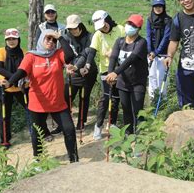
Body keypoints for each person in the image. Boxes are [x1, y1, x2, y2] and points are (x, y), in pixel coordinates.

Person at [4, 29, 78, 162]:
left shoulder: (58, 54)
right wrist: (10, 82)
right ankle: (38, 160)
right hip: (37, 104)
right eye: (48, 38)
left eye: (53, 40)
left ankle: (74, 159)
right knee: (37, 134)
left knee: (69, 130)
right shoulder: (31, 56)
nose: (51, 41)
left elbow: (70, 56)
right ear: (41, 40)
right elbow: (21, 72)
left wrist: (60, 37)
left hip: (57, 103)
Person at [83, 10, 125, 140]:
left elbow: (127, 45)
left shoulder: (120, 29)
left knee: (116, 98)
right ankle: (98, 125)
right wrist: (88, 65)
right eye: (100, 27)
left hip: (120, 69)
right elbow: (92, 52)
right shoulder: (98, 35)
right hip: (106, 70)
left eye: (104, 24)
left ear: (108, 19)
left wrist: (115, 53)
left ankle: (112, 124)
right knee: (106, 98)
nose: (103, 28)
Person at [106, 14, 148, 135]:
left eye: (133, 25)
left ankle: (140, 138)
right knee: (126, 111)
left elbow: (131, 59)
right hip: (122, 82)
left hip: (137, 83)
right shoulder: (119, 41)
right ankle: (128, 136)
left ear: (139, 28)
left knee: (138, 111)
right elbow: (113, 57)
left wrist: (115, 72)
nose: (130, 26)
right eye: (129, 23)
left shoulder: (141, 42)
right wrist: (110, 74)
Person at [0, 28, 30, 148]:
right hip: (5, 87)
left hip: (22, 87)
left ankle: (35, 132)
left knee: (31, 111)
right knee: (4, 115)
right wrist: (12, 79)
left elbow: (26, 70)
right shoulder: (1, 51)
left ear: (18, 39)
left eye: (13, 39)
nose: (11, 41)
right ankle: (5, 140)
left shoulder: (25, 53)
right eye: (8, 39)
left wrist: (13, 80)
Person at [62, 14, 98, 130]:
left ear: (80, 26)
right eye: (70, 29)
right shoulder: (66, 37)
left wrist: (80, 67)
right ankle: (65, 122)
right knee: (66, 97)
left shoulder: (90, 36)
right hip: (73, 72)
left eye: (75, 28)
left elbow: (87, 53)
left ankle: (81, 122)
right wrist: (67, 66)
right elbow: (64, 55)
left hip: (88, 71)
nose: (73, 31)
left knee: (84, 97)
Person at [36, 3, 65, 137]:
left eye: (52, 12)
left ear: (56, 13)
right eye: (48, 12)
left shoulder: (62, 27)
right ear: (44, 14)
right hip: (44, 60)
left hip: (58, 58)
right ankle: (48, 124)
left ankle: (59, 122)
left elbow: (65, 42)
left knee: (57, 89)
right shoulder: (41, 27)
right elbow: (37, 43)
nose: (50, 14)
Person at [146, 0, 171, 99]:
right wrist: (150, 51)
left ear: (163, 7)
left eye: (160, 6)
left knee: (161, 78)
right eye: (156, 6)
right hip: (151, 54)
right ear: (153, 7)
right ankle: (153, 99)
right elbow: (148, 35)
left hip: (163, 54)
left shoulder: (168, 20)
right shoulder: (149, 19)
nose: (158, 8)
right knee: (151, 77)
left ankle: (162, 100)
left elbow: (166, 37)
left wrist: (156, 52)